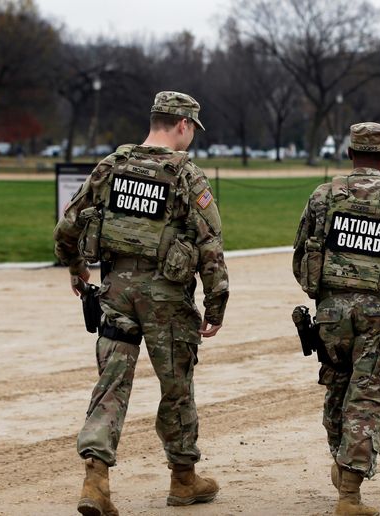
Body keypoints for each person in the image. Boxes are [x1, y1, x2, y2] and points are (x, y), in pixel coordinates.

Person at [54, 91, 229, 516]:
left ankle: (95, 480)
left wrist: (76, 267)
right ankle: (183, 479)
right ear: (183, 126)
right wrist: (216, 305)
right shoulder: (186, 175)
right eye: (192, 131)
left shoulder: (111, 166)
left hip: (116, 292)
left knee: (111, 384)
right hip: (166, 299)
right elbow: (210, 247)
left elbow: (67, 225)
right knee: (176, 386)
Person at [293, 122, 380, 516]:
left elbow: (301, 255)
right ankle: (349, 495)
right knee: (367, 397)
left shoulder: (323, 196)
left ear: (350, 153)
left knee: (337, 389)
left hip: (330, 313)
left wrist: (325, 296)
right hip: (377, 314)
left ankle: (342, 464)